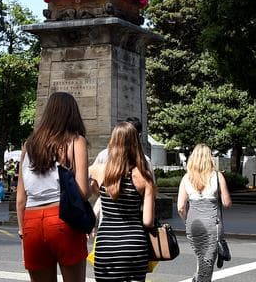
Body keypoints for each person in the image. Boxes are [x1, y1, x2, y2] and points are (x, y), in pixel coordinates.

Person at [16, 91, 92, 282]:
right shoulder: (75, 141)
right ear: (72, 113)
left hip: (31, 221)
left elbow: (20, 199)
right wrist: (92, 185)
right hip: (62, 218)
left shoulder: (29, 145)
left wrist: (21, 229)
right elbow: (82, 192)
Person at [89, 121, 155, 282]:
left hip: (106, 244)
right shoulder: (144, 177)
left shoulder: (98, 171)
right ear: (136, 142)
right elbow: (147, 221)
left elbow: (86, 191)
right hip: (135, 245)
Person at [177, 143, 231, 282]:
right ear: (210, 158)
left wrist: (186, 221)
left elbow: (181, 207)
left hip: (193, 224)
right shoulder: (217, 177)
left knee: (201, 259)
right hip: (212, 224)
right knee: (207, 264)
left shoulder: (186, 178)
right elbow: (226, 203)